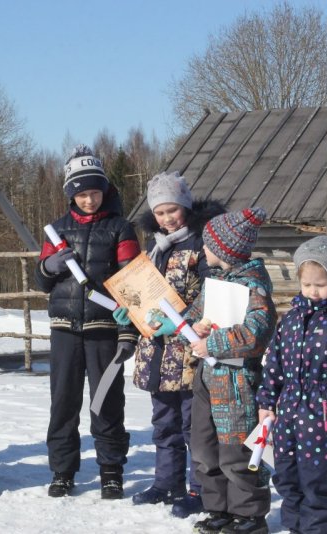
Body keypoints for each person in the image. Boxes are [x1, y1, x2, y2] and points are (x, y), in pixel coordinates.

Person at [113, 171, 225, 518]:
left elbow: (212, 295)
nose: (166, 218)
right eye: (159, 212)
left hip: (189, 353)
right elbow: (143, 294)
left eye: (172, 210)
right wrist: (128, 311)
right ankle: (166, 482)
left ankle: (199, 488)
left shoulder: (201, 245)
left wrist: (182, 321)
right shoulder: (154, 248)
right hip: (157, 352)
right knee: (164, 423)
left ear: (186, 206)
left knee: (194, 426)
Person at [35, 144, 141, 500]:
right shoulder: (56, 230)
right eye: (81, 193)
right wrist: (50, 266)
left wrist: (128, 332)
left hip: (104, 330)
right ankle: (62, 471)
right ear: (71, 194)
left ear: (104, 191)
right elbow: (42, 282)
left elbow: (133, 285)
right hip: (64, 329)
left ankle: (111, 470)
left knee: (106, 402)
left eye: (95, 192)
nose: (89, 199)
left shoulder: (120, 229)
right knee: (63, 403)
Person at [163, 207, 277, 534]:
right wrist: (192, 327)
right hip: (206, 380)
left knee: (236, 451)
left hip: (236, 384)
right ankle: (218, 509)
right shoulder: (214, 281)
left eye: (208, 245)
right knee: (204, 447)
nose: (203, 249)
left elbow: (256, 333)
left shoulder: (254, 287)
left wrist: (212, 343)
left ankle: (249, 516)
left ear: (225, 250)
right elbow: (193, 316)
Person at [256, 236, 327, 534]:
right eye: (306, 284)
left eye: (320, 284)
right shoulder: (291, 320)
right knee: (288, 482)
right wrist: (267, 401)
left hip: (325, 422)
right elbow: (274, 364)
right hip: (288, 417)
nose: (313, 291)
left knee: (319, 487)